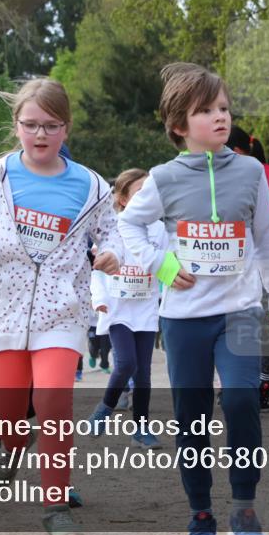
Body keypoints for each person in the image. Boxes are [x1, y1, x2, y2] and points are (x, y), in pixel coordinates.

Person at [118, 62, 269, 535]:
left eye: (224, 108)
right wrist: (161, 264)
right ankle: (200, 516)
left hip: (241, 310)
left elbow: (267, 241)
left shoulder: (252, 172)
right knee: (191, 415)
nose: (220, 117)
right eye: (206, 111)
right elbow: (129, 225)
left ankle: (244, 511)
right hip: (184, 318)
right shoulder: (162, 178)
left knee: (241, 399)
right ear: (179, 125)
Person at [0, 77, 121, 535]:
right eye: (30, 124)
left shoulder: (92, 185)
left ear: (66, 128)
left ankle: (56, 507)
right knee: (5, 413)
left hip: (61, 313)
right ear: (16, 125)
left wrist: (111, 254)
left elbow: (113, 234)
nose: (40, 134)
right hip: (4, 311)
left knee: (53, 403)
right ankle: (9, 444)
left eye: (51, 125)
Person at [86, 168, 166, 448]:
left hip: (146, 309)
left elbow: (167, 264)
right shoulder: (112, 229)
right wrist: (99, 300)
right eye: (140, 192)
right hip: (117, 309)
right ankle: (105, 408)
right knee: (126, 363)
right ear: (122, 199)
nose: (148, 197)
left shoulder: (159, 230)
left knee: (143, 373)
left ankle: (141, 429)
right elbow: (97, 271)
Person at [226, 125, 269, 404]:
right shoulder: (213, 175)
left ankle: (263, 382)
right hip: (229, 263)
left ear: (236, 151)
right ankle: (233, 382)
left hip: (263, 259)